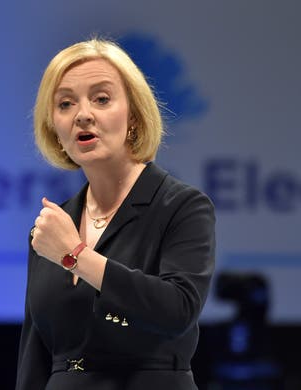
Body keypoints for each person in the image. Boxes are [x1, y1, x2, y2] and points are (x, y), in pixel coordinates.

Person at [15, 38, 216, 390]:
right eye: (65, 103)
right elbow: (36, 354)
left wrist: (76, 256)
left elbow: (178, 311)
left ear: (134, 116)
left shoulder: (181, 207)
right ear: (55, 130)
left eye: (102, 99)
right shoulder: (51, 228)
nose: (83, 114)